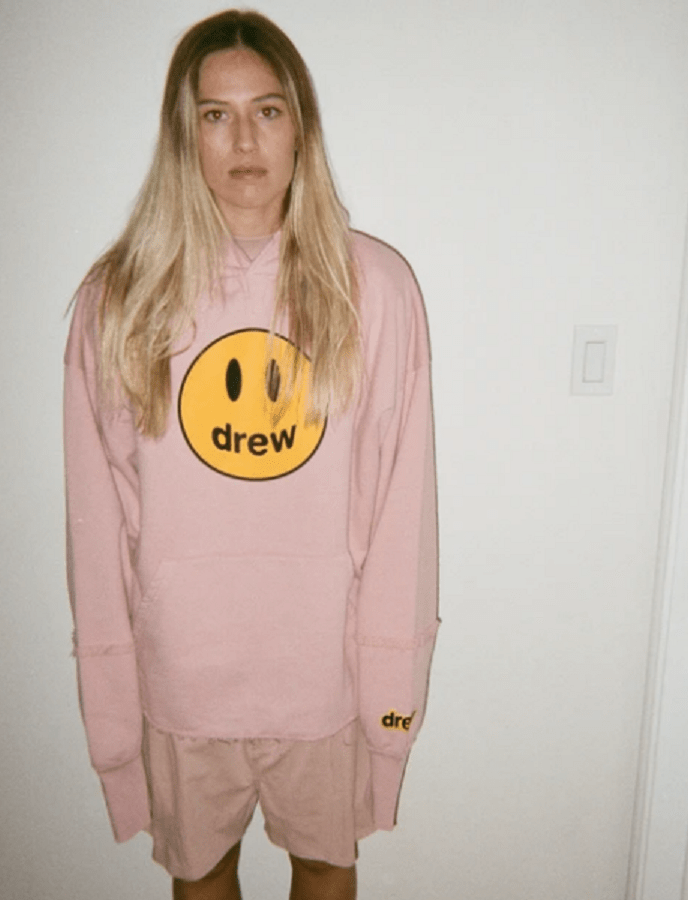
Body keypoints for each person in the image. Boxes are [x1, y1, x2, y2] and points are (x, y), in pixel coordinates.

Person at [63, 9, 438, 899]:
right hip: (183, 674)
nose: (243, 141)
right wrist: (111, 714)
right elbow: (94, 522)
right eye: (215, 114)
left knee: (326, 868)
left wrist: (391, 700)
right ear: (182, 134)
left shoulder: (374, 291)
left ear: (301, 126)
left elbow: (403, 515)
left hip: (324, 674)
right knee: (201, 878)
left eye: (267, 111)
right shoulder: (120, 298)